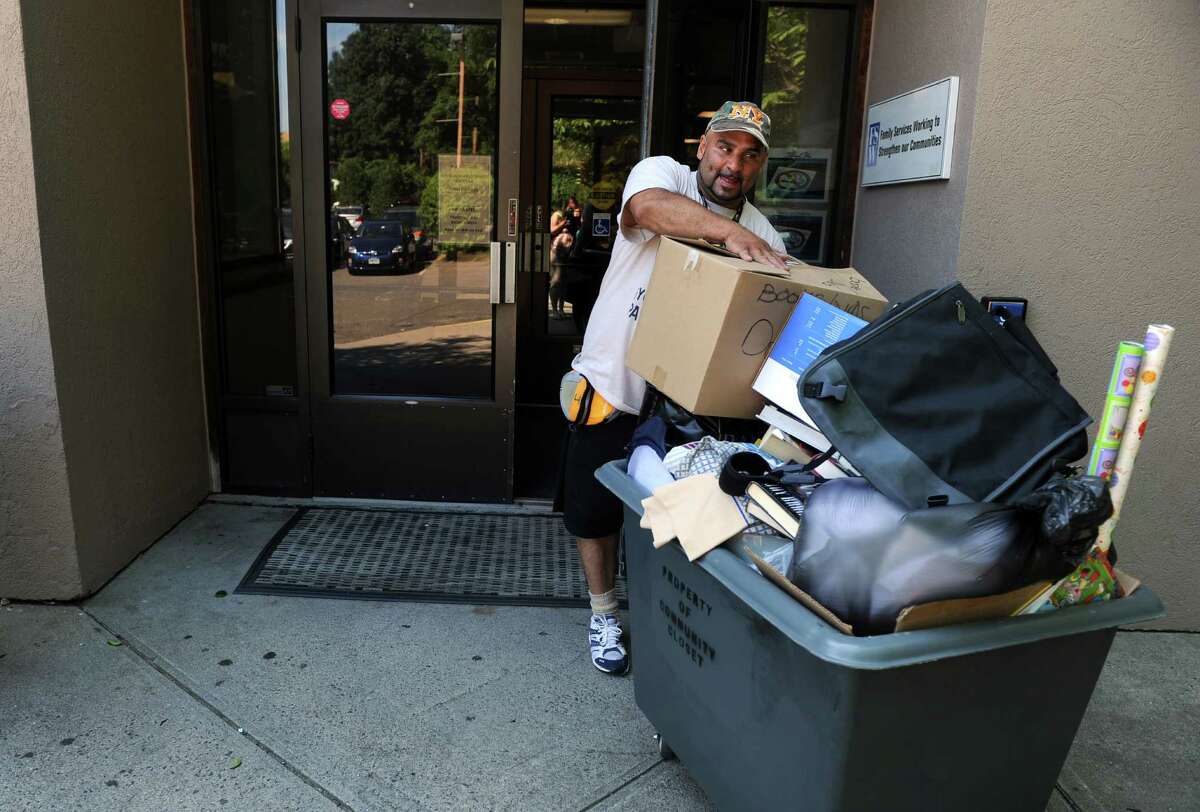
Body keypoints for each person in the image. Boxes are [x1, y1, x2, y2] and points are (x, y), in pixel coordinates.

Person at [556, 101, 787, 674]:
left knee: (681, 519)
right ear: (703, 147)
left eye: (749, 154)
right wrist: (727, 234)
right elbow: (646, 211)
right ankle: (603, 609)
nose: (734, 164)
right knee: (595, 512)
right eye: (725, 147)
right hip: (615, 383)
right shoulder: (661, 175)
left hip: (693, 408)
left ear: (759, 166)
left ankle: (670, 619)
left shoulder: (765, 233)